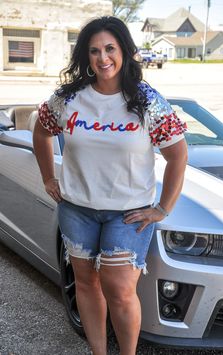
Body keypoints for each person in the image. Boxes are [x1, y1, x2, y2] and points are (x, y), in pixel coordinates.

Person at [33, 16, 187, 355]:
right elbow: (42, 131)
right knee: (87, 285)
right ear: (85, 57)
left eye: (110, 49)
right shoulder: (68, 98)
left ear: (126, 52)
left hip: (128, 214)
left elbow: (178, 155)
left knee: (118, 289)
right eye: (94, 51)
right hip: (77, 209)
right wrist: (48, 177)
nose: (103, 58)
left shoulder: (147, 101)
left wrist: (163, 207)